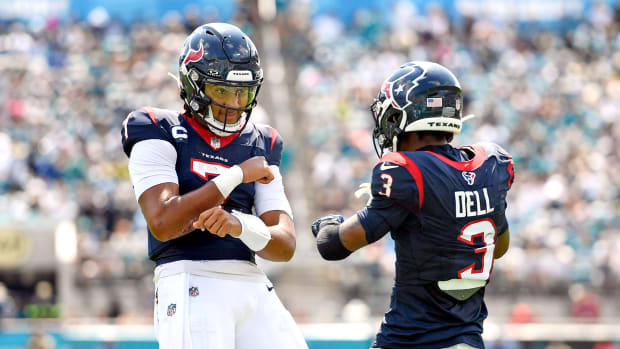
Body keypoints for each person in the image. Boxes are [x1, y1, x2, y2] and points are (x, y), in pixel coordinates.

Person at [121, 23, 307, 349]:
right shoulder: (156, 128)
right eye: (222, 91)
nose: (234, 104)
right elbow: (163, 221)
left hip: (251, 281)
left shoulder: (261, 142)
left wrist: (240, 225)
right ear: (193, 85)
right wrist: (235, 176)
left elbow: (285, 244)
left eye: (243, 93)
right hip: (189, 277)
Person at [311, 61, 514, 349]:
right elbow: (500, 247)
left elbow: (332, 246)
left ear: (404, 116)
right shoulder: (491, 164)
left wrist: (327, 226)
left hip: (412, 339)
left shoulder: (406, 171)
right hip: (468, 339)